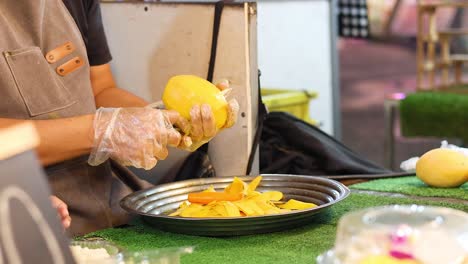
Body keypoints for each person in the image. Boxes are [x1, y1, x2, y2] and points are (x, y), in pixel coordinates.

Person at [0, 0, 238, 236]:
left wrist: (160, 120)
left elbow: (100, 89)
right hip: (34, 213)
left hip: (111, 200)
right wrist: (100, 132)